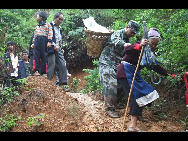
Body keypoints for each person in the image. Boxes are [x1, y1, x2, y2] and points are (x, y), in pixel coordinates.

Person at [116, 28, 175, 132]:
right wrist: (139, 46)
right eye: (152, 43)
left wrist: (170, 75)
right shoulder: (140, 44)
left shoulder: (148, 53)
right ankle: (132, 126)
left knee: (147, 92)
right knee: (135, 96)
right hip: (125, 72)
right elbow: (127, 50)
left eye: (155, 45)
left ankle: (138, 116)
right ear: (148, 40)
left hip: (135, 73)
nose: (153, 46)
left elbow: (155, 66)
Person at [99, 20, 140, 118]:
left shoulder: (128, 39)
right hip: (106, 63)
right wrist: (126, 45)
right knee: (110, 84)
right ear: (127, 27)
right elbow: (116, 41)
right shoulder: (117, 34)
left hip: (117, 65)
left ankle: (114, 103)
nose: (133, 34)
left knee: (122, 83)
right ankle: (110, 109)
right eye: (132, 31)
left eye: (134, 33)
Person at [47, 12, 69, 92]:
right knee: (51, 65)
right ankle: (48, 83)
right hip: (51, 48)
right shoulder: (49, 26)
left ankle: (63, 84)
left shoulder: (60, 28)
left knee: (62, 64)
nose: (61, 21)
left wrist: (61, 47)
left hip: (58, 48)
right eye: (60, 19)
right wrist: (53, 45)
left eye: (62, 20)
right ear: (55, 18)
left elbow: (59, 39)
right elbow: (47, 37)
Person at [31, 11, 53, 76]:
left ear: (41, 17)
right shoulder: (37, 27)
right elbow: (35, 35)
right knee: (36, 55)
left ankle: (44, 72)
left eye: (37, 16)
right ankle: (35, 71)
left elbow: (50, 33)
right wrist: (33, 43)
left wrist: (49, 41)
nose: (36, 18)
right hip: (37, 41)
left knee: (44, 56)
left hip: (44, 41)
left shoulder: (48, 25)